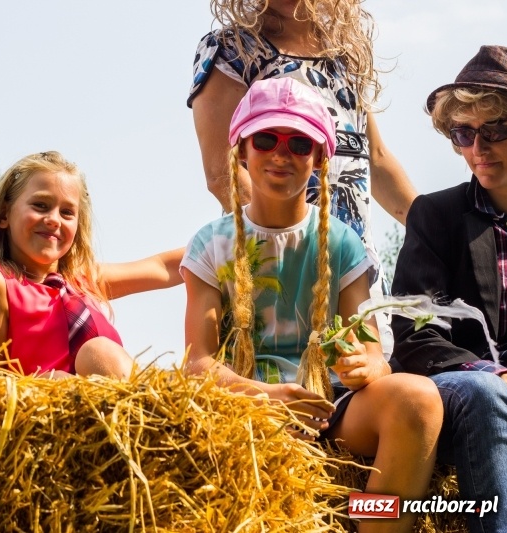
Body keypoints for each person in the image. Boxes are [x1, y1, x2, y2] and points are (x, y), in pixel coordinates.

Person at [183, 77, 441, 532]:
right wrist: (272, 398)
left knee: (419, 398)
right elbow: (198, 364)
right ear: (241, 150)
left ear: (321, 158)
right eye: (266, 139)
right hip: (241, 411)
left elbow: (374, 353)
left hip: (331, 409)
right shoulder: (211, 244)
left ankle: (371, 520)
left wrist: (366, 366)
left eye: (300, 144)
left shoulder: (343, 244)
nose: (281, 153)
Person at [188, 0, 418, 352]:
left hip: (354, 264)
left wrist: (436, 231)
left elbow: (376, 158)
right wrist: (296, 252)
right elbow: (223, 172)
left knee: (365, 375)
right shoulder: (232, 51)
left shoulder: (344, 55)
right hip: (278, 270)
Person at [391, 45, 507, 533]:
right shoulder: (435, 216)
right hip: (467, 385)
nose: (478, 149)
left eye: (496, 130)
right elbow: (415, 337)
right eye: (464, 133)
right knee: (486, 391)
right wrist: (498, 374)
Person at [0, 151, 183, 379]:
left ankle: (148, 401)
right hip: (45, 406)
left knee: (99, 351)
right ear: (4, 214)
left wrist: (218, 244)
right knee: (79, 363)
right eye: (40, 205)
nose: (54, 219)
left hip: (113, 404)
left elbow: (162, 267)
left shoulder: (83, 279)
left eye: (67, 212)